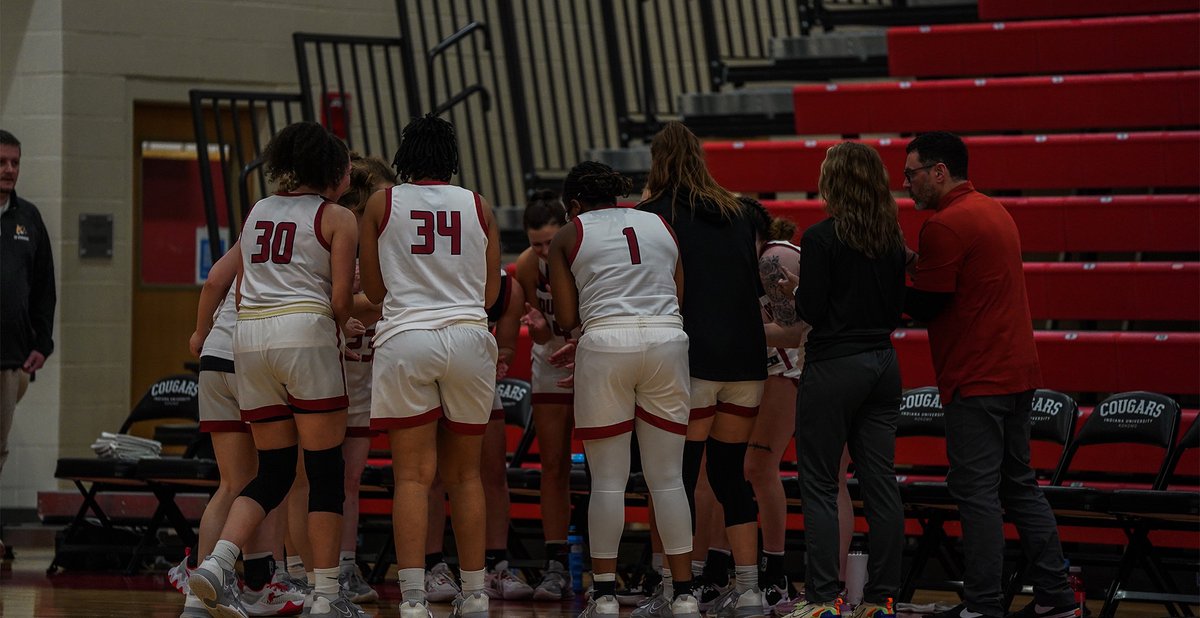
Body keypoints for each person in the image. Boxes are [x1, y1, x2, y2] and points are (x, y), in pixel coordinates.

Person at [189, 121, 367, 618]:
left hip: (249, 339)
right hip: (303, 335)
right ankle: (327, 597)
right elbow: (336, 302)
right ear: (331, 168)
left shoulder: (258, 210)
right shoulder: (337, 218)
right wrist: (371, 309)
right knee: (326, 472)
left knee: (273, 471)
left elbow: (232, 285)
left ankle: (218, 563)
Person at [903, 132, 1076, 618]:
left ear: (940, 171)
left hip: (977, 378)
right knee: (1020, 486)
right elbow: (958, 281)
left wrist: (878, 280)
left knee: (976, 494)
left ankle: (982, 604)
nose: (907, 184)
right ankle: (1057, 599)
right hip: (1017, 372)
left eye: (912, 173)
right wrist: (911, 265)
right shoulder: (992, 210)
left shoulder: (946, 224)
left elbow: (928, 304)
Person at [359, 114, 501, 618]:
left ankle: (415, 599)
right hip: (468, 335)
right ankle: (478, 594)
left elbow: (374, 293)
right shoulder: (479, 205)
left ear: (405, 157)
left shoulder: (382, 202)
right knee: (466, 477)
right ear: (451, 157)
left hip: (408, 338)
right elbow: (491, 293)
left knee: (413, 479)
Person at [545, 161, 698, 618]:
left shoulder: (569, 234)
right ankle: (686, 595)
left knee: (608, 481)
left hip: (607, 343)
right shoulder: (660, 224)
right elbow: (678, 295)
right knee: (668, 478)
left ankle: (606, 596)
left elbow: (568, 320)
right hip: (668, 339)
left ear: (574, 204)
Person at [636, 121, 767, 618]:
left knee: (680, 477)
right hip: (748, 362)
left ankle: (676, 589)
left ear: (657, 161)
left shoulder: (651, 216)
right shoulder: (739, 212)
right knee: (731, 476)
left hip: (692, 360)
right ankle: (750, 590)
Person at [785, 142, 905, 618]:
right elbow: (898, 306)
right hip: (883, 363)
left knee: (817, 481)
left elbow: (809, 311)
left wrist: (794, 291)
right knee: (880, 483)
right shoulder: (891, 237)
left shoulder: (820, 238)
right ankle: (881, 598)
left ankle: (819, 600)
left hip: (834, 365)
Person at [175, 245, 305, 618]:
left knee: (232, 483)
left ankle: (198, 597)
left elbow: (215, 279)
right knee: (273, 477)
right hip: (257, 353)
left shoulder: (257, 222)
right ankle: (261, 586)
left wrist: (201, 333)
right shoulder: (321, 221)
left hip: (217, 352)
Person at [741, 198, 856, 615]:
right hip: (818, 366)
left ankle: (798, 580)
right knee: (824, 479)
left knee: (778, 472)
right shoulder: (769, 255)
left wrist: (729, 325)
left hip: (806, 368)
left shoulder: (772, 258)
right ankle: (829, 588)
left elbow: (790, 334)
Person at [513, 190, 579, 601]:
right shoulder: (525, 266)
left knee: (610, 465)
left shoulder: (579, 254)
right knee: (552, 462)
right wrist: (537, 327)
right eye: (536, 243)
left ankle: (609, 566)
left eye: (549, 242)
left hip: (591, 354)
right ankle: (556, 564)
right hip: (553, 358)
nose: (542, 250)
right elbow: (539, 331)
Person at [334, 153, 394, 605]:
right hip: (325, 364)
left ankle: (346, 566)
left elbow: (385, 301)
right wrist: (363, 305)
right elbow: (334, 303)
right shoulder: (334, 232)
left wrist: (364, 305)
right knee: (313, 476)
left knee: (350, 478)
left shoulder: (385, 241)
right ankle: (297, 568)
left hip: (363, 367)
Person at [0, 130, 56, 503]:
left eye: (15, 163)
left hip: (11, 356)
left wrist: (42, 343)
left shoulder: (29, 219)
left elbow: (44, 287)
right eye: (2, 162)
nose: (9, 170)